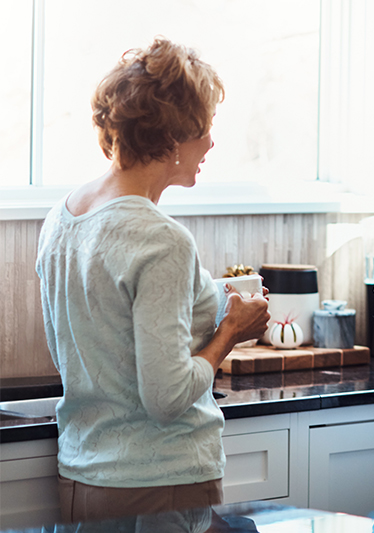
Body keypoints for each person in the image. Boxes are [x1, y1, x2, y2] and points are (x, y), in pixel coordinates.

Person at [35, 37, 270, 523]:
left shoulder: (62, 218)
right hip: (161, 482)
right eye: (203, 128)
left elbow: (81, 353)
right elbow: (165, 399)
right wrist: (230, 333)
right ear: (170, 137)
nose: (210, 142)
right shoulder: (162, 241)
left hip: (81, 473)